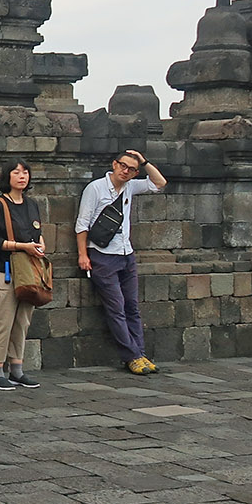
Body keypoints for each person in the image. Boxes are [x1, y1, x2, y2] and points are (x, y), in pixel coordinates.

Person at [75, 148, 168, 375]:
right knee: (116, 308)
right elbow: (82, 224)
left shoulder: (130, 187)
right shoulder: (96, 188)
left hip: (126, 254)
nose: (125, 171)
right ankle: (131, 356)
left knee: (132, 306)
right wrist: (83, 255)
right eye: (123, 166)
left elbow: (159, 183)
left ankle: (140, 353)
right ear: (114, 164)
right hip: (102, 255)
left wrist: (144, 162)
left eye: (131, 169)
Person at [0, 159, 45, 390]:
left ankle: (16, 369)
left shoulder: (32, 204)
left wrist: (40, 245)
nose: (22, 176)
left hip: (27, 272)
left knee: (22, 321)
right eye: (16, 172)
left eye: (25, 172)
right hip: (4, 270)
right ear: (7, 177)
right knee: (3, 321)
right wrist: (20, 246)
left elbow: (37, 232)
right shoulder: (0, 205)